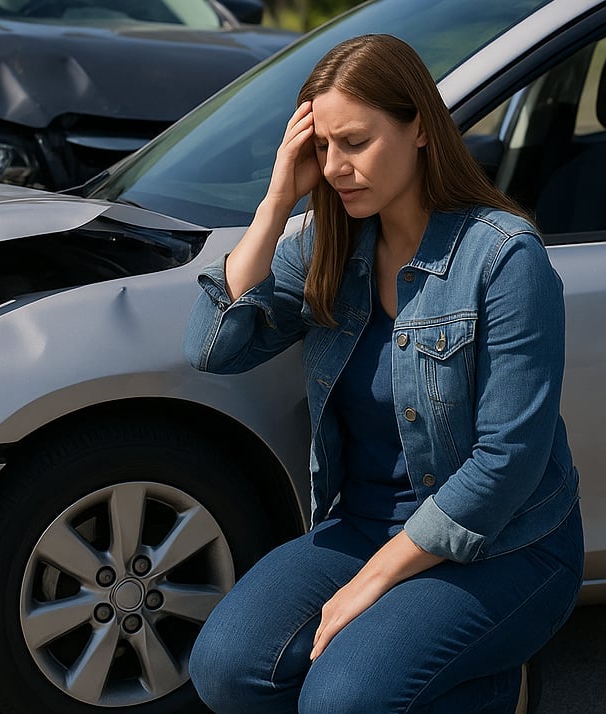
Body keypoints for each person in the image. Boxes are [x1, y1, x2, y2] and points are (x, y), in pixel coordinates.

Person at [183, 34, 583, 713]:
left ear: (420, 128)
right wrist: (278, 198)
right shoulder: (327, 246)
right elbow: (215, 346)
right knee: (225, 669)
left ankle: (484, 687)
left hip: (506, 542)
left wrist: (373, 582)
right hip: (366, 522)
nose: (337, 167)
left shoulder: (502, 257)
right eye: (322, 147)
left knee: (343, 700)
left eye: (357, 143)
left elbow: (508, 460)